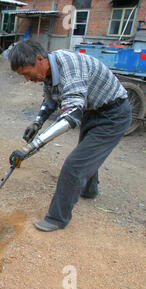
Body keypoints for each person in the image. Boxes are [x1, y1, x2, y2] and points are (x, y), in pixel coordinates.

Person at [7, 40, 132, 232]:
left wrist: (29, 148)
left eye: (26, 73)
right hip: (93, 110)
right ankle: (89, 191)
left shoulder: (71, 68)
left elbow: (71, 116)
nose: (27, 79)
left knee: (75, 165)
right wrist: (37, 122)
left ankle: (57, 218)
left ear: (39, 60)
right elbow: (50, 98)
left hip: (113, 115)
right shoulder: (49, 70)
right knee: (87, 154)